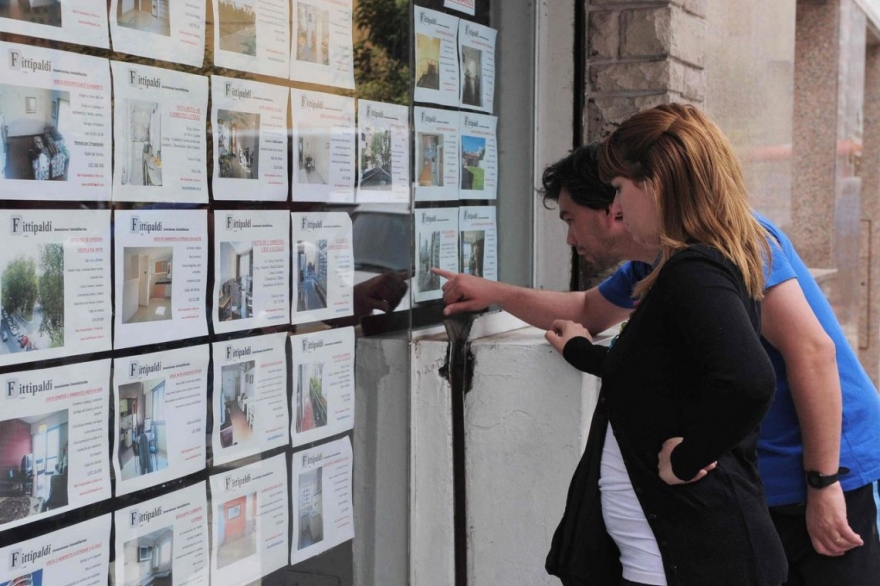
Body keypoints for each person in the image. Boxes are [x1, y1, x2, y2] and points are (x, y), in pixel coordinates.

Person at [434, 129, 880, 585]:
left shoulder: (730, 244)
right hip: (748, 463)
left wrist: (825, 484)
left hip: (822, 457)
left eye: (571, 218)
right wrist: (491, 292)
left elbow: (811, 352)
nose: (568, 237)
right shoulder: (656, 261)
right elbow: (590, 310)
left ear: (613, 207)